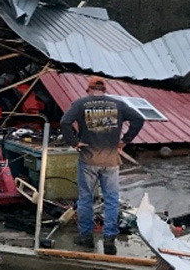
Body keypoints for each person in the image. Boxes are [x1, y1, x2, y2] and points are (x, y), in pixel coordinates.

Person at [61, 76, 144, 256]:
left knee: (85, 199)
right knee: (112, 200)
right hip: (111, 160)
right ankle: (109, 240)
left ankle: (86, 238)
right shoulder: (118, 104)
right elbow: (138, 119)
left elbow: (64, 122)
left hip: (88, 159)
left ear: (88, 89)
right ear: (104, 90)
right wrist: (125, 141)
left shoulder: (80, 104)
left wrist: (74, 142)